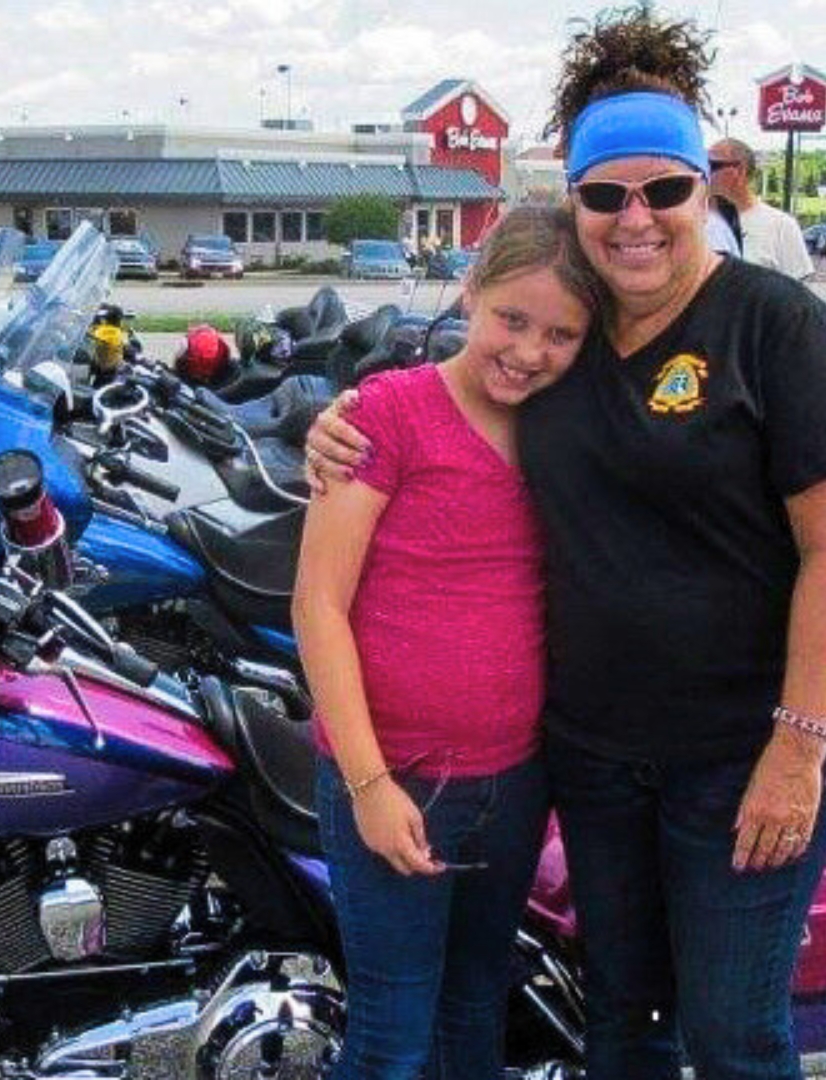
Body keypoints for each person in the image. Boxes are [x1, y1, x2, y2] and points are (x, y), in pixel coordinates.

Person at [307, 8, 826, 1078]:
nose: (637, 219)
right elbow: (448, 407)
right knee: (620, 1015)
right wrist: (333, 426)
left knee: (733, 1031)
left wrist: (797, 755)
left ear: (706, 189)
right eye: (606, 194)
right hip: (595, 756)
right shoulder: (569, 345)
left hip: (739, 752)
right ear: (573, 203)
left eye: (665, 190)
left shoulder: (781, 331)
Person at [293, 204, 600, 1080]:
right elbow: (318, 603)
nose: (529, 351)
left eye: (561, 334)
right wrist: (369, 783)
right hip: (398, 778)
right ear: (471, 291)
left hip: (515, 777)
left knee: (475, 1012)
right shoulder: (387, 416)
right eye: (512, 318)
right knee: (392, 1033)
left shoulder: (567, 425)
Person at [707, 138, 816, 279]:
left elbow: (798, 293)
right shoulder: (697, 223)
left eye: (712, 165)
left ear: (739, 171)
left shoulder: (782, 226)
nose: (705, 172)